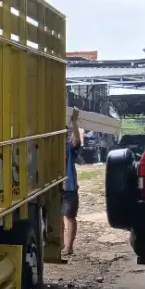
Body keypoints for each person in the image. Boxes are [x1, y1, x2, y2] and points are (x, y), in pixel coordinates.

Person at [62, 109, 82, 257]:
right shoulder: (50, 146)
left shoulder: (69, 148)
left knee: (69, 217)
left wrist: (74, 122)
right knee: (56, 218)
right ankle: (60, 244)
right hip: (55, 187)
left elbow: (77, 141)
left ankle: (69, 247)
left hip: (69, 188)